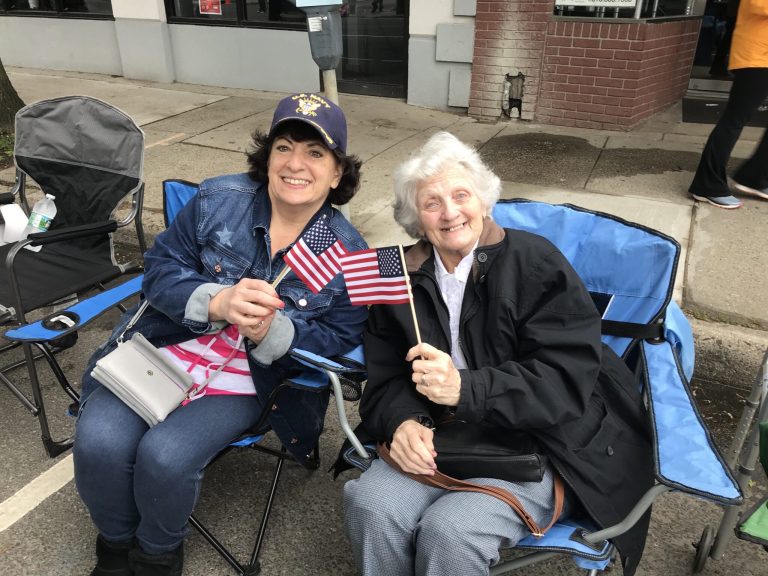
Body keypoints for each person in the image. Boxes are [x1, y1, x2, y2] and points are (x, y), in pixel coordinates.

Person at [73, 93, 368, 576]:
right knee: (99, 442)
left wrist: (276, 331)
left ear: (337, 173)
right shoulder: (217, 201)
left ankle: (156, 555)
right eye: (284, 147)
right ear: (267, 156)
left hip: (250, 378)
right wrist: (216, 301)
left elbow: (338, 342)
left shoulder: (347, 255)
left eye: (316, 153)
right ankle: (116, 544)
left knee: (165, 456)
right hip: (166, 347)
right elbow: (160, 270)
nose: (296, 164)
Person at [343, 132, 654, 576]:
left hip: (536, 443)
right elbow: (388, 375)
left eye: (461, 195)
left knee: (451, 531)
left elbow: (566, 382)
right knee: (372, 505)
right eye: (432, 203)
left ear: (484, 201)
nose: (450, 212)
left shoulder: (536, 263)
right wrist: (404, 421)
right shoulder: (400, 280)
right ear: (416, 218)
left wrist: (465, 388)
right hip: (441, 438)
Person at [689, 0, 768, 209]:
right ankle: (707, 186)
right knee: (734, 119)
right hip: (756, 59)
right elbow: (758, 5)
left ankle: (756, 177)